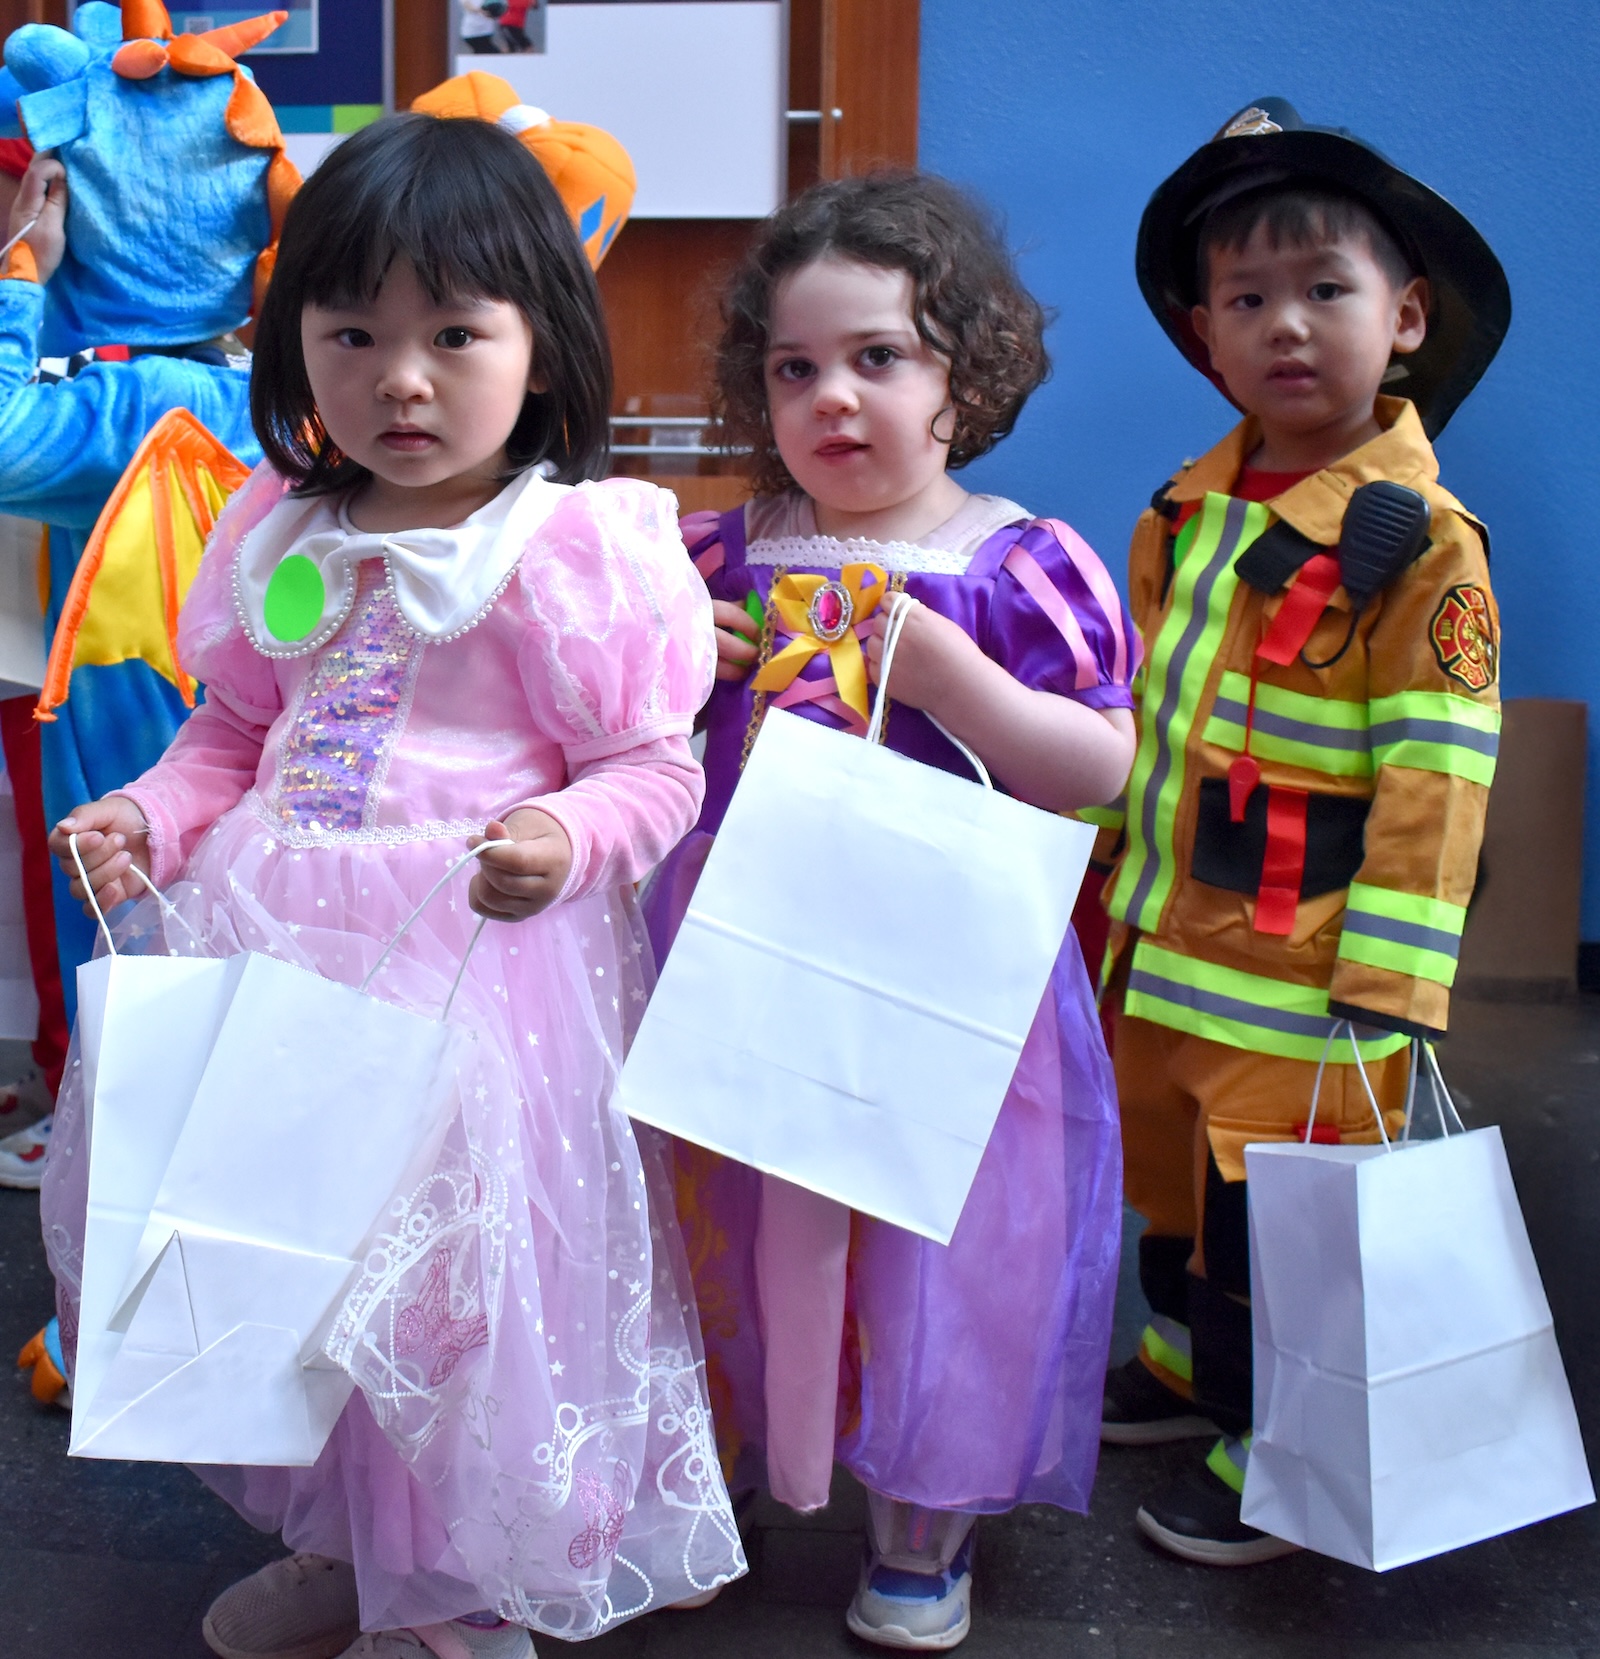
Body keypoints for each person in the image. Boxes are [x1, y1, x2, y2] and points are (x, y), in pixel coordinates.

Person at [42, 111, 743, 1657]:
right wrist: (150, 819)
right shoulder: (274, 525)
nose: (401, 379)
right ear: (294, 347)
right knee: (296, 1270)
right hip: (276, 959)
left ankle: (462, 1590)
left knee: (458, 1303)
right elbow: (233, 734)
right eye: (352, 333)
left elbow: (653, 764)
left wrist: (566, 842)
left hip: (476, 986)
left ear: (542, 349)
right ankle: (359, 1543)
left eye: (451, 333)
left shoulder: (569, 547)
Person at [643, 171, 1135, 1651]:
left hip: (943, 976)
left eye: (881, 359)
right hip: (743, 947)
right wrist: (680, 660)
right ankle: (717, 1462)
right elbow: (623, 724)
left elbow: (1098, 767)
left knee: (935, 1241)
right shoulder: (723, 554)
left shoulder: (1016, 564)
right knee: (720, 1211)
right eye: (796, 368)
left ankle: (924, 1517)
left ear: (965, 377)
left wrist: (956, 684)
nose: (832, 399)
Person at [1096, 98, 1510, 1565]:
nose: (1285, 326)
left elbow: (1441, 771)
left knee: (1280, 1224)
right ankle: (1183, 1363)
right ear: (1204, 333)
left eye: (1324, 290)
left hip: (1305, 970)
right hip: (1166, 946)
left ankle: (1278, 1441)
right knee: (1172, 1179)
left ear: (1403, 319)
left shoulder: (1419, 542)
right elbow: (1146, 717)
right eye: (1246, 298)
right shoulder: (1183, 512)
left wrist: (1392, 984)